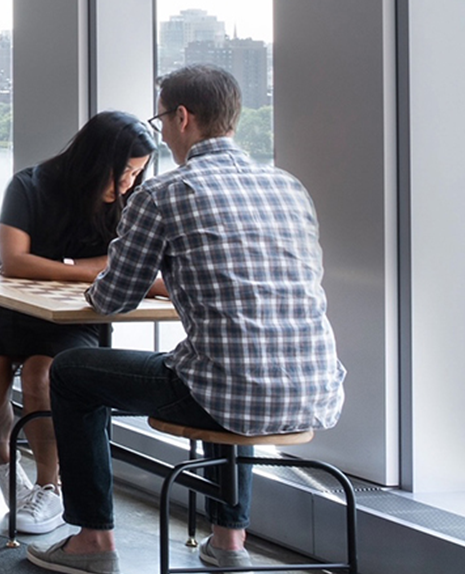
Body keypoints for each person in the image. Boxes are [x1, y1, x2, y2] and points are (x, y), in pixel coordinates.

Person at [26, 65, 346, 574]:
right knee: (229, 369)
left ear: (182, 116)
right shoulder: (288, 187)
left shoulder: (163, 193)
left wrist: (84, 276)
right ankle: (228, 541)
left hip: (225, 391)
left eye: (161, 120)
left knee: (70, 372)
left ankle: (93, 539)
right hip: (315, 390)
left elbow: (113, 299)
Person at [0, 111, 159, 535]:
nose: (127, 184)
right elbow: (14, 263)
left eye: (137, 174)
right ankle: (6, 464)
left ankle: (49, 487)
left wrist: (57, 267)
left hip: (73, 316)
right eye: (123, 172)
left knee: (42, 378)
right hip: (1, 304)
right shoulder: (30, 184)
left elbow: (135, 266)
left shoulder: (132, 201)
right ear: (95, 160)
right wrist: (92, 268)